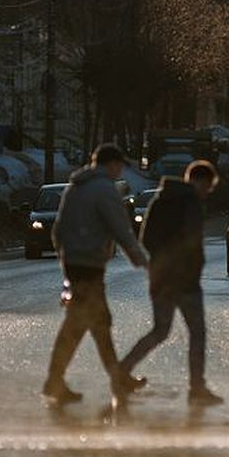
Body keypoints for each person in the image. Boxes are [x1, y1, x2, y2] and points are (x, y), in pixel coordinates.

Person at [43, 144, 148, 404]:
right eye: (119, 165)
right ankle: (58, 381)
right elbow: (120, 229)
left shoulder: (75, 187)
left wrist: (65, 260)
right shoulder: (104, 189)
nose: (121, 170)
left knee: (94, 324)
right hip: (89, 266)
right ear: (111, 164)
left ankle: (114, 378)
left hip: (76, 264)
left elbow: (58, 229)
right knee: (87, 325)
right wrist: (142, 261)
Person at [120, 160, 224, 406]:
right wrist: (188, 267)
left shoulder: (160, 199)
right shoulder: (191, 204)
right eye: (208, 186)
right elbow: (191, 242)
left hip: (161, 277)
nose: (208, 191)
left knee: (160, 331)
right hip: (185, 281)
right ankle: (197, 388)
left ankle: (122, 370)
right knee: (197, 333)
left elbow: (145, 238)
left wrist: (162, 262)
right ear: (199, 181)